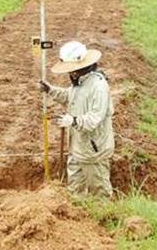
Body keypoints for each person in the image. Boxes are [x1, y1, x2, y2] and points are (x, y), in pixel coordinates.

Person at [39, 41, 114, 197]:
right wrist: (51, 90)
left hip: (93, 151)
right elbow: (70, 97)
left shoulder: (98, 86)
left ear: (82, 67)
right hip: (77, 148)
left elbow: (94, 119)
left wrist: (73, 121)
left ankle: (101, 217)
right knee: (75, 190)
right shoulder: (80, 83)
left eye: (72, 70)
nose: (70, 74)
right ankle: (78, 215)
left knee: (99, 192)